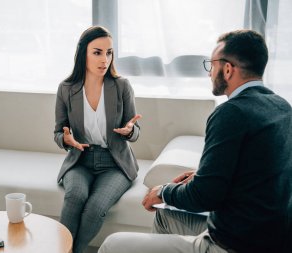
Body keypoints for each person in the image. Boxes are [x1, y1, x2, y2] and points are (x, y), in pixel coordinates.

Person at [98, 30, 292, 253]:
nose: (210, 73)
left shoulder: (231, 112)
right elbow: (260, 173)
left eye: (212, 65)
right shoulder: (282, 107)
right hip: (272, 238)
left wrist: (163, 191)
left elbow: (203, 196)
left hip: (234, 244)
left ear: (228, 69)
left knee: (111, 245)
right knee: (165, 216)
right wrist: (203, 174)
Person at [54, 26, 142, 253]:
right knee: (75, 197)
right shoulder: (66, 89)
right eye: (97, 52)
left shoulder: (121, 86)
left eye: (109, 52)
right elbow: (57, 132)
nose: (105, 59)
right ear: (83, 53)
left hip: (115, 164)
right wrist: (66, 141)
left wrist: (129, 131)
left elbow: (135, 129)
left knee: (95, 207)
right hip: (80, 159)